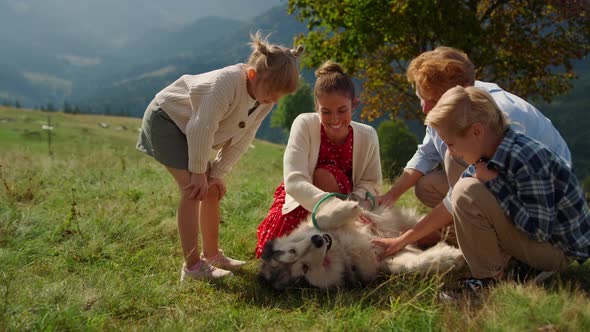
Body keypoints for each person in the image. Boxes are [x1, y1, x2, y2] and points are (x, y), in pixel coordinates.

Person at [372, 46, 572, 256]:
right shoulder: (452, 104)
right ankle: (465, 234)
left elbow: (461, 193)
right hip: (502, 186)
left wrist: (402, 240)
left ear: (463, 88)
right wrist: (391, 195)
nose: (424, 107)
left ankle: (501, 253)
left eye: (431, 101)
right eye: (420, 96)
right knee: (426, 186)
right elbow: (428, 152)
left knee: (457, 169)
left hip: (542, 209)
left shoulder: (497, 117)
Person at [137, 32, 303, 281]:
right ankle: (192, 268)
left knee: (212, 189)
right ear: (252, 75)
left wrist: (216, 174)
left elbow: (243, 138)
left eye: (281, 94)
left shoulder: (264, 99)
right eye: (272, 91)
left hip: (190, 130)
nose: (275, 99)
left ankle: (212, 256)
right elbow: (200, 128)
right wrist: (197, 173)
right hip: (166, 121)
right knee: (193, 190)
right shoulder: (225, 84)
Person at [418, 86, 589, 283]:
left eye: (451, 143)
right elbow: (450, 203)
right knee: (465, 189)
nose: (452, 152)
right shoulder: (489, 151)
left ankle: (487, 279)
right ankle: (510, 264)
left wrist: (494, 183)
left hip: (557, 250)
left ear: (476, 131)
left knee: (467, 191)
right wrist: (404, 239)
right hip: (540, 240)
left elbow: (540, 230)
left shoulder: (526, 158)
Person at [255, 61, 382, 258]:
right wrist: (330, 207)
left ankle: (341, 236)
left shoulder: (368, 135)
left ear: (353, 105)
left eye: (342, 110)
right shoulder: (304, 124)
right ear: (316, 107)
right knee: (281, 256)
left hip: (349, 202)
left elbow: (371, 182)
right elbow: (295, 181)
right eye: (326, 111)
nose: (335, 119)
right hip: (305, 201)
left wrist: (351, 208)